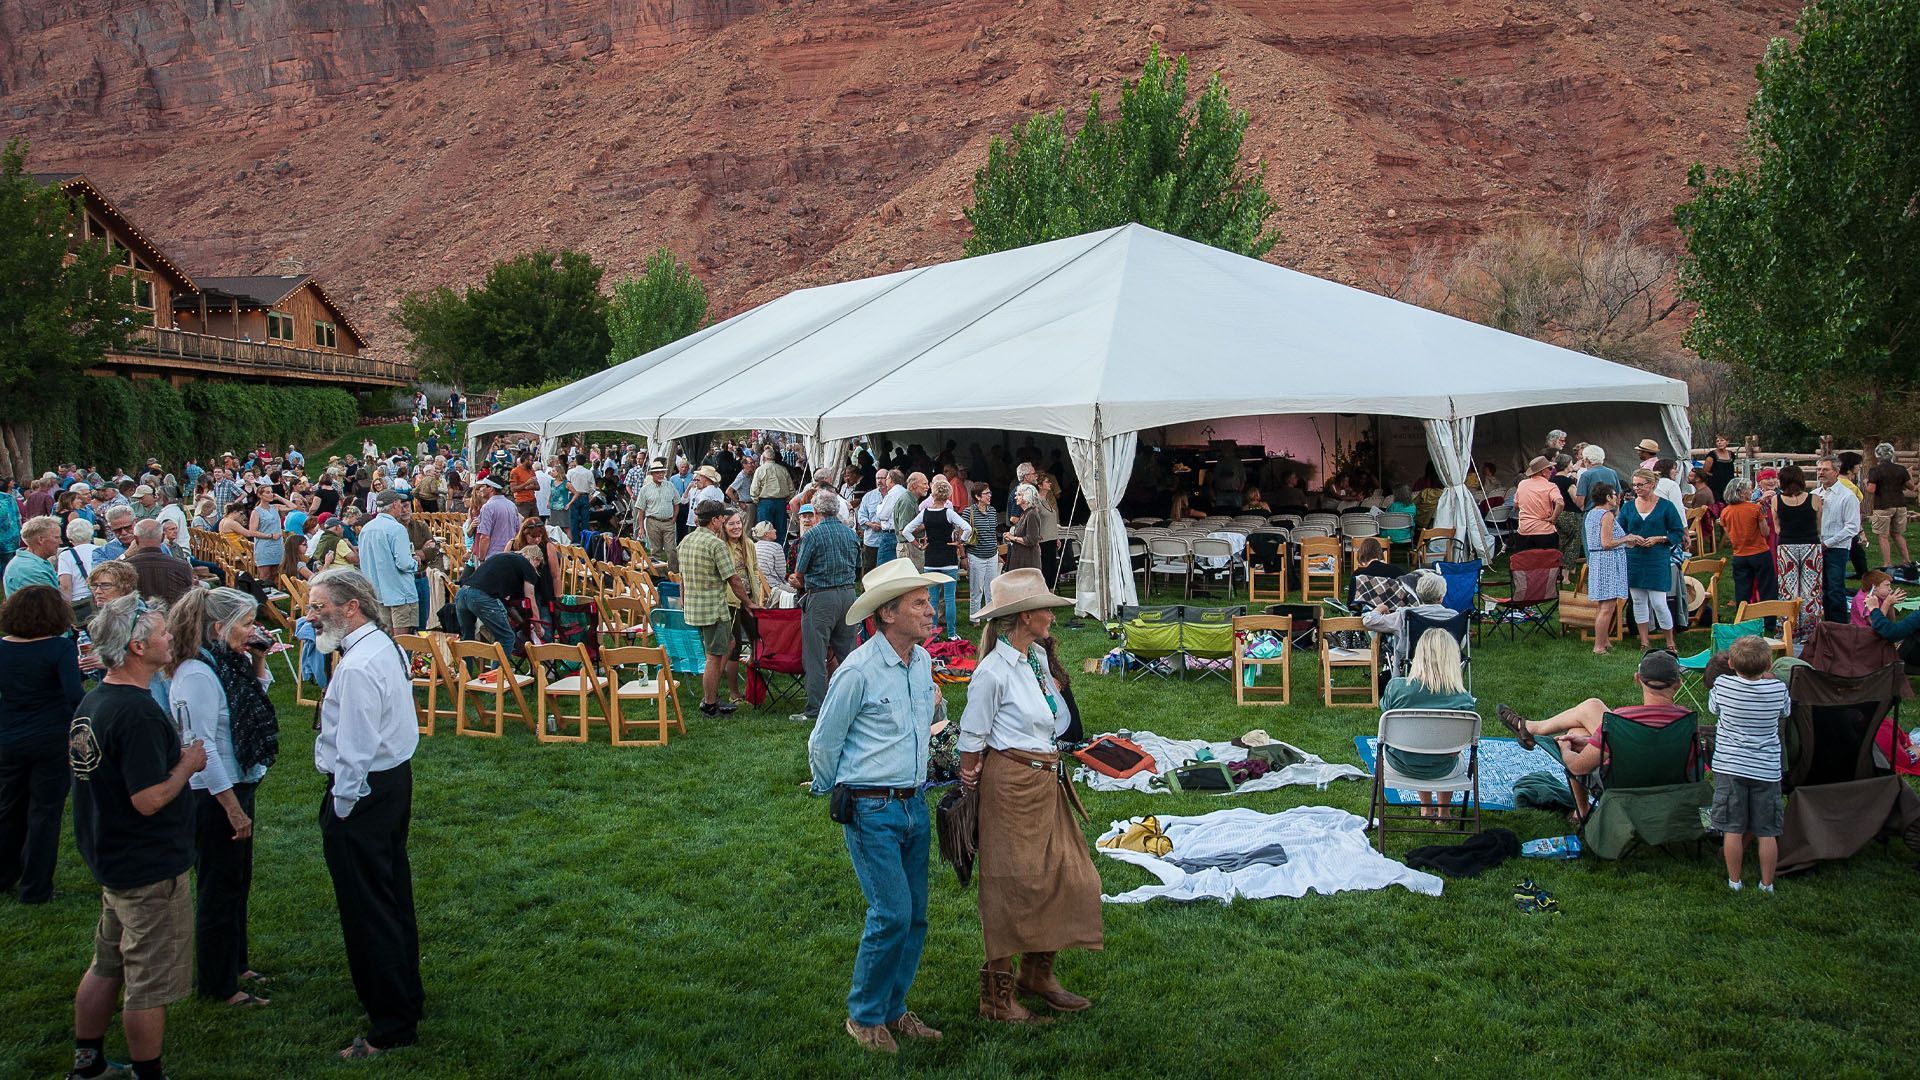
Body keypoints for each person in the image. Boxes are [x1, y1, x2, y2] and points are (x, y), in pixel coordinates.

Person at [68, 593, 204, 1080]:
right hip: (147, 865)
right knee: (148, 980)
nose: (170, 637)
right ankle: (149, 1074)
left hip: (111, 857)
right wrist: (187, 766)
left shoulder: (95, 700)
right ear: (137, 647)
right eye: (162, 632)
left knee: (107, 962)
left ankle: (88, 1064)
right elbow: (147, 799)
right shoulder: (138, 713)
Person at [805, 565, 944, 1035]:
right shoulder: (857, 670)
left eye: (929, 600)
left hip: (914, 804)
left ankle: (892, 1010)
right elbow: (823, 742)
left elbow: (922, 726)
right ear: (887, 613)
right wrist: (835, 790)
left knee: (915, 915)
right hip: (871, 807)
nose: (932, 610)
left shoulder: (922, 662)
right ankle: (864, 1017)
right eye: (919, 603)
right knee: (892, 913)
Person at [959, 568, 1102, 1022]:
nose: (1052, 618)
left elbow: (1059, 722)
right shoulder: (991, 672)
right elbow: (970, 737)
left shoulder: (1037, 656)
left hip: (1046, 781)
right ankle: (996, 1000)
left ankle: (1036, 975)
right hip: (1012, 786)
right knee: (1010, 886)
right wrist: (971, 782)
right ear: (1023, 617)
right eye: (1045, 609)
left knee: (1071, 877)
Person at [306, 568, 424, 1060]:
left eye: (318, 607)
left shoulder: (357, 666)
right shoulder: (383, 648)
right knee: (391, 892)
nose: (310, 615)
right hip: (392, 781)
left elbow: (354, 747)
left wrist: (342, 804)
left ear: (350, 606)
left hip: (365, 791)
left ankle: (391, 1023)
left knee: (367, 906)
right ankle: (404, 997)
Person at [165, 588, 277, 1006]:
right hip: (214, 793)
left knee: (238, 879)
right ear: (218, 628)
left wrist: (259, 657)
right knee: (219, 884)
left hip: (238, 781)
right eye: (246, 624)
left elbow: (256, 695)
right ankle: (218, 983)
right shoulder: (197, 673)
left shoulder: (228, 662)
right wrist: (231, 807)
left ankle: (236, 961)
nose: (252, 630)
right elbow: (201, 746)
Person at [1496, 649, 1690, 820]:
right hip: (1669, 789)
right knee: (1586, 720)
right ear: (1678, 683)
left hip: (1623, 786)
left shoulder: (1621, 721)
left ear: (1637, 679)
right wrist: (1593, 741)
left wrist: (1566, 747)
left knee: (1576, 729)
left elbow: (1578, 767)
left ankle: (1582, 811)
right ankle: (1531, 728)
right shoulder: (1687, 722)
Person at [0, 586, 86, 904]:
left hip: (10, 735)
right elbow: (73, 695)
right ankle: (36, 887)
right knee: (44, 812)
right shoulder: (57, 649)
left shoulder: (3, 648)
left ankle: (5, 873)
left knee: (9, 806)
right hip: (50, 736)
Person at [1707, 636, 1791, 893]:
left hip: (1730, 766)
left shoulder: (1722, 684)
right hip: (1766, 768)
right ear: (1768, 664)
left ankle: (1735, 881)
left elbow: (1713, 709)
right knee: (1767, 830)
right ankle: (1767, 883)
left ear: (1731, 663)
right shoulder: (1778, 689)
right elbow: (1785, 712)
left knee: (1732, 828)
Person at [1381, 628, 1476, 819]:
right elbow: (1455, 749)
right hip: (1443, 770)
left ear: (1419, 654)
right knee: (1449, 749)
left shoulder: (1397, 688)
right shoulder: (1463, 700)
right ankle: (1444, 811)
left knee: (1416, 741)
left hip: (1399, 765)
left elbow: (1385, 718)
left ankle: (1426, 808)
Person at [789, 491, 862, 725]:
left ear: (816, 512)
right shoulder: (850, 534)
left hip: (821, 597)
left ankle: (815, 709)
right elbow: (857, 566)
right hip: (848, 595)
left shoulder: (812, 536)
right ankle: (858, 701)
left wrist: (796, 581)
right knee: (849, 654)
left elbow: (800, 573)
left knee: (815, 656)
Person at [678, 501, 751, 716]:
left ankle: (711, 695)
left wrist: (683, 600)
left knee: (728, 644)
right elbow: (733, 579)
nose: (724, 521)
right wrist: (749, 603)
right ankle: (710, 703)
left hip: (694, 607)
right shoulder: (715, 544)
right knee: (714, 655)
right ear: (715, 520)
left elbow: (681, 577)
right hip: (713, 609)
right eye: (722, 518)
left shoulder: (687, 540)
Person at [1619, 469, 1685, 652]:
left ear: (1652, 484)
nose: (1636, 488)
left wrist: (1660, 539)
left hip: (1657, 557)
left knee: (1658, 602)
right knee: (1638, 600)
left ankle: (1670, 641)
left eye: (1641, 484)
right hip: (1634, 558)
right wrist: (1630, 537)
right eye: (1634, 485)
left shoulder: (1666, 506)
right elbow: (1620, 531)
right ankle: (1644, 641)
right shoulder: (1628, 507)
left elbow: (1677, 531)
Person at [902, 477, 973, 640]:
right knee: (949, 599)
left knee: (931, 599)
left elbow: (906, 531)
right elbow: (967, 528)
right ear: (948, 495)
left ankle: (932, 632)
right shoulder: (949, 513)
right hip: (948, 559)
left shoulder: (925, 513)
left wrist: (918, 545)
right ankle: (952, 634)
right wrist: (960, 542)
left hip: (931, 559)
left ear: (933, 495)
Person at [357, 490, 421, 634]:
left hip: (378, 592)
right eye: (400, 504)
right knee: (403, 642)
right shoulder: (396, 529)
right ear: (394, 505)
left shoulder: (366, 529)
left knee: (386, 637)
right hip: (400, 592)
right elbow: (404, 563)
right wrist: (415, 562)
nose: (402, 508)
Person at [1770, 464, 1823, 636]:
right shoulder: (1815, 499)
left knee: (1787, 590)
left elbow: (1777, 528)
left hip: (1786, 547)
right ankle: (1811, 631)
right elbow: (1818, 525)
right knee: (1811, 590)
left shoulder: (1776, 500)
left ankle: (1787, 629)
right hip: (1811, 546)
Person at [454, 547, 542, 649]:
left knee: (467, 638)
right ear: (536, 559)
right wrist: (538, 627)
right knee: (507, 638)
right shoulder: (527, 566)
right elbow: (530, 599)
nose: (537, 568)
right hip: (481, 596)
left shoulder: (504, 557)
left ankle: (465, 665)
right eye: (538, 565)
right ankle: (499, 665)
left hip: (462, 592)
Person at [1814, 454, 1861, 623]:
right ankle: (1825, 624)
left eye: (1825, 469)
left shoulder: (1847, 496)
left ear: (1836, 471)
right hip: (1816, 547)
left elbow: (1852, 527)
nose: (1821, 473)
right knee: (1819, 588)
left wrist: (1828, 543)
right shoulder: (1814, 494)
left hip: (1837, 548)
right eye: (1819, 469)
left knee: (1835, 588)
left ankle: (1839, 626)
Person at [1719, 478, 1776, 611]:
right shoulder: (1755, 509)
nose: (1751, 492)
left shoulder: (1725, 512)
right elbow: (1765, 532)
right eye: (1749, 489)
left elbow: (1729, 535)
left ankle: (1743, 617)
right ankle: (1769, 619)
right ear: (1741, 492)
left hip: (1739, 555)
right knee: (1767, 587)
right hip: (1760, 552)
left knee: (1742, 589)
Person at [125, 520, 194, 605]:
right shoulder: (182, 566)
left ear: (135, 539)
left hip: (138, 616)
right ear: (162, 537)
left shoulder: (126, 568)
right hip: (174, 616)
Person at [1866, 442, 1911, 569]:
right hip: (1900, 504)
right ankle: (1906, 560)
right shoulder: (1901, 469)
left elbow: (1871, 490)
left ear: (1877, 455)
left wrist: (1865, 483)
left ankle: (1887, 563)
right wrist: (1910, 475)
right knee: (1897, 534)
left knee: (1883, 536)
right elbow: (1911, 487)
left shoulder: (1875, 470)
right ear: (1892, 454)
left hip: (1883, 505)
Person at [963, 484, 1001, 619]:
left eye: (989, 493)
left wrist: (997, 552)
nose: (989, 495)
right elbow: (963, 534)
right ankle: (975, 618)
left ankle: (991, 616)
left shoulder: (992, 511)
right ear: (977, 497)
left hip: (992, 554)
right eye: (986, 493)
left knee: (991, 588)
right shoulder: (969, 512)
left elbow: (993, 533)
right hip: (976, 555)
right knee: (976, 589)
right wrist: (964, 556)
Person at [1511, 456, 1564, 551]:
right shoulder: (1550, 486)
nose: (1552, 471)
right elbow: (1560, 503)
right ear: (1543, 472)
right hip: (1545, 531)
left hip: (1524, 531)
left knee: (1526, 563)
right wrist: (1553, 518)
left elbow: (1515, 505)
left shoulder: (1522, 484)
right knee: (1548, 563)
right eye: (1550, 468)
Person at [634, 460, 679, 571]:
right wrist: (641, 527)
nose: (660, 474)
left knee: (671, 550)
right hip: (653, 522)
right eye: (658, 472)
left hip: (669, 522)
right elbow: (641, 509)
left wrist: (674, 519)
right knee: (655, 550)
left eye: (662, 472)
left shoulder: (670, 486)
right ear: (652, 474)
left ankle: (674, 574)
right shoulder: (645, 489)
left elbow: (677, 503)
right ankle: (658, 575)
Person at [5, 515, 62, 597]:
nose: (61, 542)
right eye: (56, 537)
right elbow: (51, 605)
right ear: (41, 540)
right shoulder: (30, 570)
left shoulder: (35, 561)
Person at [59, 518, 101, 624]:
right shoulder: (101, 550)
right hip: (100, 599)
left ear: (69, 537)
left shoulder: (65, 555)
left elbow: (65, 586)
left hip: (80, 604)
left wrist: (65, 612)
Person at [470, 477, 520, 564]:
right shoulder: (511, 505)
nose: (481, 489)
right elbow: (517, 531)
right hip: (511, 555)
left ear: (491, 488)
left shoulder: (488, 507)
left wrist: (481, 558)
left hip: (493, 557)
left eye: (484, 486)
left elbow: (485, 537)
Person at [750, 447, 795, 540]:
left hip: (765, 502)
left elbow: (754, 489)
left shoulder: (760, 470)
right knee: (781, 530)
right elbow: (791, 488)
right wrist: (787, 500)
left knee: (764, 530)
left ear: (763, 458)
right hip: (781, 502)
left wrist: (756, 500)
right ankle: (782, 551)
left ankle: (766, 552)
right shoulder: (783, 469)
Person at [249, 485, 286, 585]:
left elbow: (293, 507)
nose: (271, 494)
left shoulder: (275, 507)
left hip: (277, 545)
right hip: (264, 546)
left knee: (274, 573)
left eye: (271, 492)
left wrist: (279, 497)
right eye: (267, 492)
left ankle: (272, 596)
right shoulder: (256, 511)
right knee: (265, 575)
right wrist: (270, 535)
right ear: (260, 495)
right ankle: (263, 596)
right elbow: (252, 531)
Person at [1004, 484, 1042, 572]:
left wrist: (1013, 537)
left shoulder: (1031, 514)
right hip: (1021, 559)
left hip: (1028, 562)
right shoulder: (1025, 513)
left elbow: (1031, 540)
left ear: (1027, 497)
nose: (1015, 497)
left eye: (1019, 495)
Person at [1572, 444, 1619, 511]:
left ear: (1587, 460)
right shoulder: (1612, 472)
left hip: (1592, 513)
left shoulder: (1585, 475)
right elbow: (1618, 496)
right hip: (1609, 513)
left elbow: (1580, 502)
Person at [564, 456, 594, 541]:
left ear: (576, 461)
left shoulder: (570, 472)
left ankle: (575, 541)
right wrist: (589, 493)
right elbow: (593, 486)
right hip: (584, 495)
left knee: (574, 520)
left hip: (573, 496)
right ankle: (585, 540)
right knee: (585, 520)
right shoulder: (588, 472)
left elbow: (567, 485)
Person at [752, 521, 787, 585]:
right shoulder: (776, 547)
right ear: (766, 534)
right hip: (771, 585)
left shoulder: (753, 546)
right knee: (798, 592)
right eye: (772, 529)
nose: (775, 530)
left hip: (755, 584)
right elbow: (781, 573)